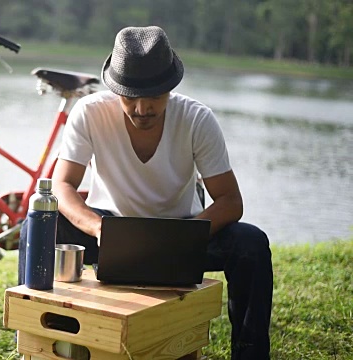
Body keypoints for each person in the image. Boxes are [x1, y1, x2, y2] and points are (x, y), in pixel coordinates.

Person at [18, 26, 273, 359]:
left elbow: (229, 201)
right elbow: (63, 184)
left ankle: (250, 353)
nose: (142, 108)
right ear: (115, 88)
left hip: (181, 233)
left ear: (170, 86)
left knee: (250, 244)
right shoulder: (90, 112)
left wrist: (185, 237)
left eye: (154, 95)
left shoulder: (197, 119)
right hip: (110, 232)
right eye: (130, 96)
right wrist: (98, 228)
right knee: (35, 227)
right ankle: (37, 337)